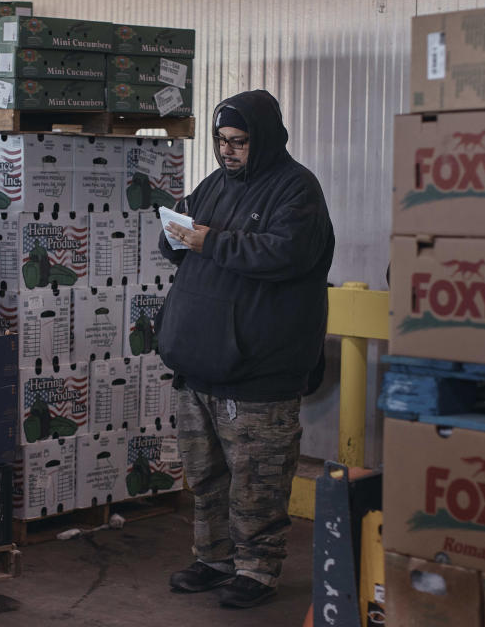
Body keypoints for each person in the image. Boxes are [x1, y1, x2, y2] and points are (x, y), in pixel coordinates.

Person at [155, 90, 335, 608]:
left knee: (256, 481)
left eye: (239, 142)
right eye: (221, 141)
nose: (228, 151)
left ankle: (257, 569)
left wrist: (210, 240)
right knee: (208, 478)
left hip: (258, 371)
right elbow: (187, 232)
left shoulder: (296, 188)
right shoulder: (215, 183)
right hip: (199, 365)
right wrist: (173, 234)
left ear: (266, 139)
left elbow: (285, 253)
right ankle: (214, 559)